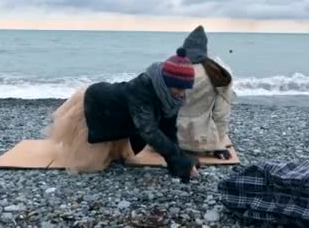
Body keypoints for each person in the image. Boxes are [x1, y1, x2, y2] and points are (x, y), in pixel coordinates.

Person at [44, 48, 200, 182]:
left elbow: (168, 128)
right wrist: (180, 161)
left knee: (118, 152)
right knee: (91, 164)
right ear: (166, 82)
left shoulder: (170, 97)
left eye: (185, 89)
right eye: (178, 88)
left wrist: (180, 160)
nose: (182, 93)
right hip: (98, 103)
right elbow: (149, 131)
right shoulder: (142, 90)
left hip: (123, 114)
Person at [177, 25, 235, 159]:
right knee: (222, 102)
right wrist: (218, 143)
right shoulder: (215, 72)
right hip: (203, 139)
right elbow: (221, 113)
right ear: (204, 49)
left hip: (172, 137)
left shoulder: (172, 68)